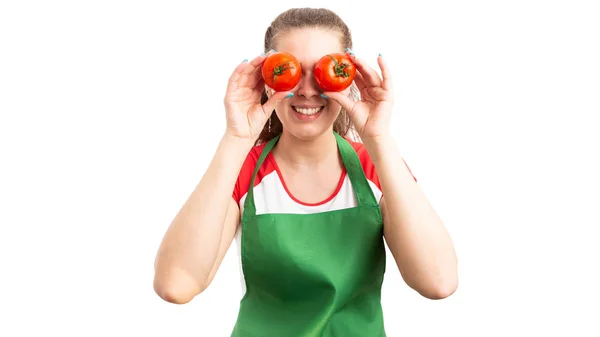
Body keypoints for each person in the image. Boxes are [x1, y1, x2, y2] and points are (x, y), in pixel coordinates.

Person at [153, 7, 458, 336]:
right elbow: (176, 285)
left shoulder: (377, 166)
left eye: (327, 70)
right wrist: (236, 139)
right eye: (290, 71)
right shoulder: (242, 170)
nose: (307, 90)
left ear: (349, 79)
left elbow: (438, 282)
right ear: (267, 81)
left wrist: (379, 140)